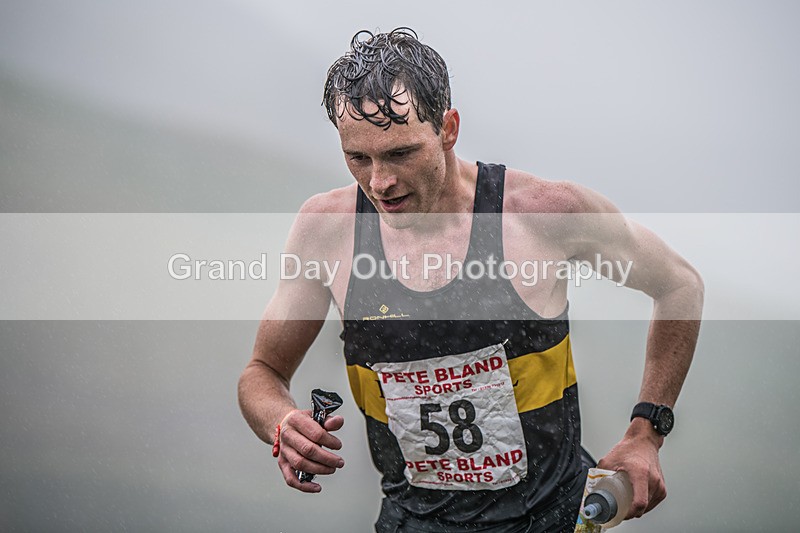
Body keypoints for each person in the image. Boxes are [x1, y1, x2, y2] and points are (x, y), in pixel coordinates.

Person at [238, 28, 703, 532]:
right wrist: (282, 423)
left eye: (400, 154)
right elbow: (263, 373)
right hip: (411, 523)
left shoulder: (543, 214)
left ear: (448, 128)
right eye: (358, 158)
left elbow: (678, 284)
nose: (379, 182)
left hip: (555, 518)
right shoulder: (327, 231)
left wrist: (647, 431)